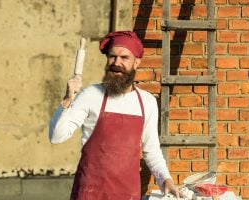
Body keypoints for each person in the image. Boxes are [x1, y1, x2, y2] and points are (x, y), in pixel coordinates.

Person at [49, 31, 183, 200]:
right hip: (90, 194)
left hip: (128, 195)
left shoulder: (146, 102)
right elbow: (56, 136)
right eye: (112, 57)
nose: (116, 63)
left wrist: (166, 180)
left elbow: (152, 151)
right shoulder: (91, 95)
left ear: (136, 63)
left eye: (124, 58)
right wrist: (67, 99)